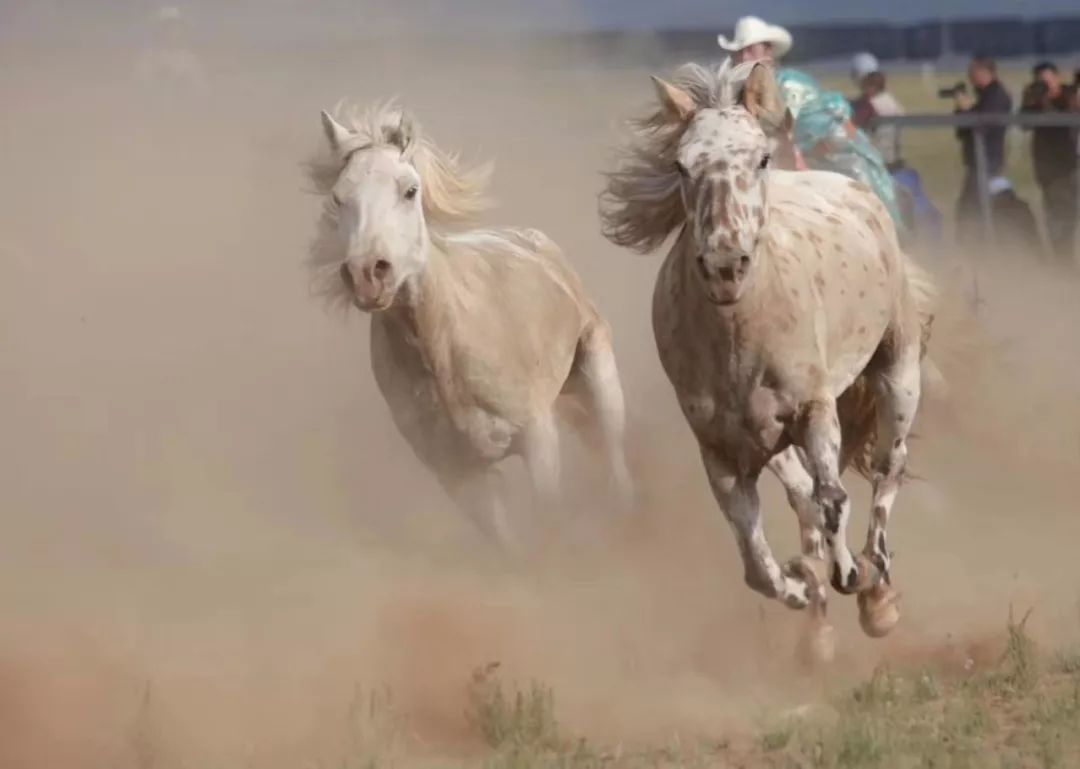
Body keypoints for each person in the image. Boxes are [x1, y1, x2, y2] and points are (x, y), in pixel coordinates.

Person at [715, 19, 907, 238]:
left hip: (839, 154)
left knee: (864, 217)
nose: (743, 57)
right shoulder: (751, 91)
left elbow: (794, 133)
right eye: (739, 51)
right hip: (822, 153)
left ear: (768, 52)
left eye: (750, 50)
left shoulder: (787, 85)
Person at [1020, 61, 1079, 262]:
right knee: (1057, 217)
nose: (1046, 86)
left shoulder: (1070, 95)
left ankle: (1064, 259)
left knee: (1066, 216)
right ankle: (1063, 260)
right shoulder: (1035, 102)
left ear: (1058, 78)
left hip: (1070, 164)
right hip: (1049, 169)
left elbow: (1067, 116)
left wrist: (1049, 101)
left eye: (1049, 81)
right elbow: (1024, 124)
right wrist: (1032, 101)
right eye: (1041, 83)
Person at [953, 56, 1013, 248]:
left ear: (984, 73)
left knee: (973, 211)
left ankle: (978, 252)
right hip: (980, 162)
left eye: (973, 73)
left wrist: (967, 111)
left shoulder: (995, 96)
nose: (970, 78)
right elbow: (963, 131)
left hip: (988, 161)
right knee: (971, 210)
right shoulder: (987, 96)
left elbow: (982, 125)